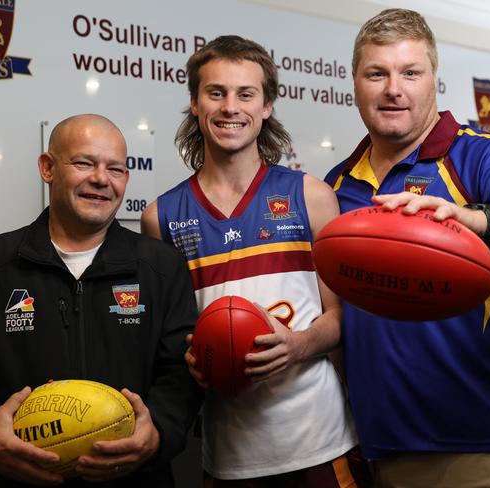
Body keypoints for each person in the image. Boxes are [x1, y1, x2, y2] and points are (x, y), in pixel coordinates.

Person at [325, 8, 490, 487]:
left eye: (410, 72)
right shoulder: (338, 184)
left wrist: (469, 219)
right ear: (355, 82)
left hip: (475, 445)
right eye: (378, 73)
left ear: (434, 80)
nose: (394, 88)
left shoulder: (480, 154)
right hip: (374, 444)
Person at [0, 114, 203, 487]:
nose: (101, 179)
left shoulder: (161, 268)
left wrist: (158, 432)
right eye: (84, 163)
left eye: (115, 168)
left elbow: (182, 372)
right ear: (48, 168)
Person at [142, 36, 369, 487]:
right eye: (216, 92)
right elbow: (169, 339)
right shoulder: (160, 217)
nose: (231, 107)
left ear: (266, 106)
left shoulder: (311, 196)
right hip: (229, 455)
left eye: (246, 94)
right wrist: (190, 358)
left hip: (322, 445)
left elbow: (342, 317)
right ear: (194, 103)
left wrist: (299, 345)